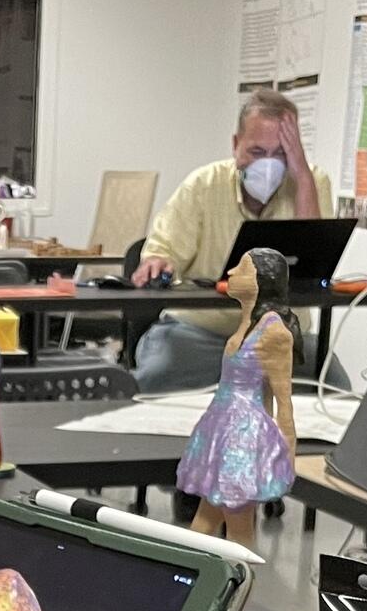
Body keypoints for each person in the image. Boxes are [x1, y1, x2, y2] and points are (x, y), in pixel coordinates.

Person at [131, 88, 329, 393]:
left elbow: (315, 262)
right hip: (200, 330)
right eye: (257, 152)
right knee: (156, 383)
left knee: (336, 395)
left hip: (282, 336)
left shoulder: (310, 183)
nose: (269, 166)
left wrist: (301, 176)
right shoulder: (203, 184)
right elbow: (164, 250)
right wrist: (158, 262)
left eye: (281, 154)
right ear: (236, 145)